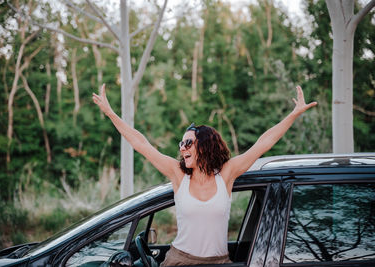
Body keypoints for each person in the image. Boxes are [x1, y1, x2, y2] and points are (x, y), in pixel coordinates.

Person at [92, 84, 317, 266]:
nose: (182, 148)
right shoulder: (178, 175)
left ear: (205, 145)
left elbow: (262, 143)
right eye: (181, 143)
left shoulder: (226, 175)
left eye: (188, 142)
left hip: (219, 263)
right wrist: (111, 113)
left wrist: (293, 115)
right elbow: (141, 143)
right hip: (179, 261)